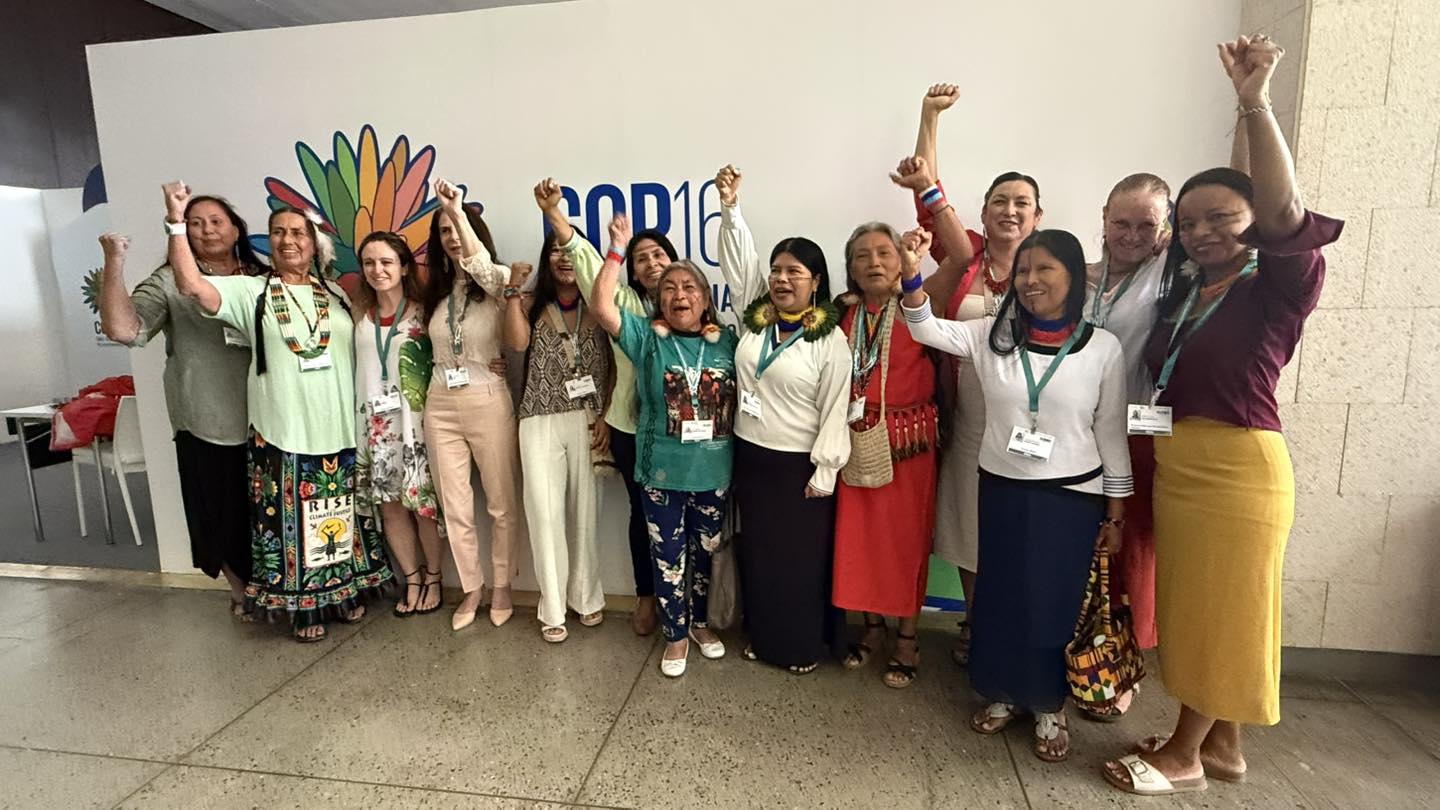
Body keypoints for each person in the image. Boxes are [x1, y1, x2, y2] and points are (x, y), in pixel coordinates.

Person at [1103, 35, 1343, 796]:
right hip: (1179, 462)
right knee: (1200, 609)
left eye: (1222, 218)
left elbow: (1279, 206)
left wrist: (1254, 102)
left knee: (1225, 613)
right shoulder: (1187, 289)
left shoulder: (1277, 283)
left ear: (1252, 223)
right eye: (1193, 220)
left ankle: (1182, 754)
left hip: (1239, 468)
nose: (1206, 231)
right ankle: (1225, 747)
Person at [901, 223, 1131, 762]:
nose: (1030, 280)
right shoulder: (989, 336)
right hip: (1001, 489)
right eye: (1024, 269)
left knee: (1050, 604)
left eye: (1044, 268)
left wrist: (1115, 515)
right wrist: (912, 272)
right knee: (1000, 598)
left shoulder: (1103, 349)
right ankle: (1004, 693)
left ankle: (1049, 703)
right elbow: (923, 328)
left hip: (1070, 500)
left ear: (1073, 277)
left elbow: (1111, 436)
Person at [163, 181, 392, 642]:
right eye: (279, 232)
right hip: (282, 430)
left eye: (298, 233)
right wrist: (175, 222)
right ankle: (303, 608)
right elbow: (192, 286)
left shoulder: (338, 296)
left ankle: (342, 593)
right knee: (288, 523)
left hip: (339, 430)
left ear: (315, 245)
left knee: (337, 516)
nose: (288, 240)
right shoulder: (252, 291)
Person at [909, 84, 1046, 666]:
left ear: (1038, 216)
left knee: (1022, 529)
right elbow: (927, 192)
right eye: (999, 202)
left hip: (1033, 423)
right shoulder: (964, 254)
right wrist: (929, 117)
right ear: (984, 212)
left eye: (1021, 203)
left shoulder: (1053, 268)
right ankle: (974, 623)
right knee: (968, 523)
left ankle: (1020, 628)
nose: (1009, 211)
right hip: (967, 416)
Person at [97, 195, 263, 617]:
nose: (207, 229)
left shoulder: (264, 276)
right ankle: (242, 590)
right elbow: (123, 329)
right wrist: (114, 261)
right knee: (218, 510)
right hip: (206, 417)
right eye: (194, 223)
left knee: (267, 510)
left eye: (216, 221)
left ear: (237, 228)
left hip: (268, 418)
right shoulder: (171, 280)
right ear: (179, 230)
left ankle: (277, 587)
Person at [714, 164, 851, 674]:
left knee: (799, 563)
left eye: (794, 272)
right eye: (776, 270)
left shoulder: (830, 340)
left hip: (800, 467)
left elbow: (837, 406)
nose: (780, 279)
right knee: (761, 556)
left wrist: (826, 469)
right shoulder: (756, 319)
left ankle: (800, 646)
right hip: (752, 456)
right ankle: (764, 637)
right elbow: (739, 262)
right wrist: (730, 207)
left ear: (816, 283)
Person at [591, 213, 737, 678]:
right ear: (657, 298)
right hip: (661, 474)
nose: (679, 295)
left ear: (706, 299)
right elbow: (601, 305)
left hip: (713, 473)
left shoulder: (728, 343)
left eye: (690, 287)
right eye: (670, 288)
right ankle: (674, 637)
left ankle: (698, 625)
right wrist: (616, 248)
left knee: (706, 554)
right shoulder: (646, 339)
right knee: (668, 556)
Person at [535, 178, 676, 636]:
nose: (652, 263)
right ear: (631, 273)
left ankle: (688, 602)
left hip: (687, 433)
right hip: (633, 428)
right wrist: (558, 215)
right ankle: (647, 595)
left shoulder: (693, 303)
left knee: (689, 516)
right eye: (642, 259)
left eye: (659, 255)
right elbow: (589, 264)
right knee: (644, 514)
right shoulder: (628, 304)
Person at [829, 212, 940, 688]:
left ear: (902, 261)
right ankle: (871, 628)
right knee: (858, 541)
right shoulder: (841, 312)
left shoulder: (919, 307)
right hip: (854, 441)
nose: (873, 262)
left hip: (909, 446)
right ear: (850, 269)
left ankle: (907, 639)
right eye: (861, 256)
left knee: (904, 542)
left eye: (884, 253)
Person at [1077, 171, 1172, 719]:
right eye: (1121, 222)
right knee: (1085, 553)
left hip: (1137, 435)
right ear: (1104, 220)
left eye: (1146, 224)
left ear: (1166, 230)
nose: (1132, 234)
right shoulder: (1086, 275)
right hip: (1079, 435)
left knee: (1129, 557)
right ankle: (1082, 653)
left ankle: (1119, 671)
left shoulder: (1170, 277)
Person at [420, 179, 522, 631]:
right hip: (439, 402)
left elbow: (479, 265)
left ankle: (502, 585)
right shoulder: (435, 294)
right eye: (444, 231)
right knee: (456, 506)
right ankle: (471, 588)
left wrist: (457, 212)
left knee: (500, 503)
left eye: (459, 229)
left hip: (486, 397)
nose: (453, 238)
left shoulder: (499, 282)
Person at [503, 230, 614, 642]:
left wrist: (606, 414)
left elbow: (616, 364)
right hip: (538, 418)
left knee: (587, 513)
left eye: (572, 252)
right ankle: (552, 606)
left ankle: (587, 598)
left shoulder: (601, 306)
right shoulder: (531, 304)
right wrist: (514, 292)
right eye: (556, 252)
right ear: (547, 260)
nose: (564, 259)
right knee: (544, 514)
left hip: (588, 416)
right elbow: (514, 343)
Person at [350, 231, 444, 617]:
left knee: (421, 506)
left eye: (387, 262)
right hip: (375, 428)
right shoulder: (357, 314)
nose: (378, 270)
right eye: (370, 263)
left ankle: (435, 576)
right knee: (390, 508)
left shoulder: (426, 311)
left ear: (404, 267)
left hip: (417, 426)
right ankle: (413, 576)